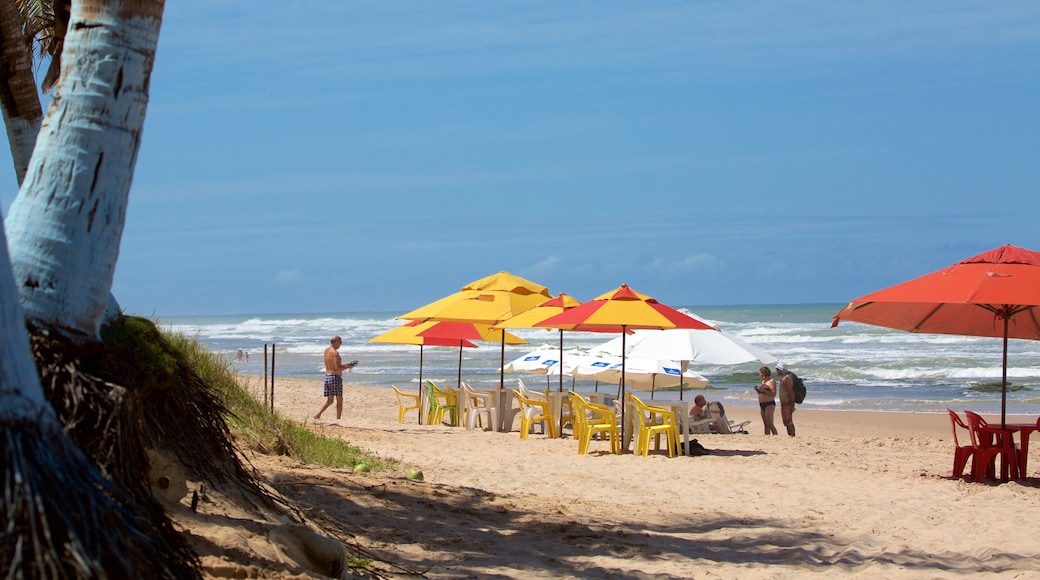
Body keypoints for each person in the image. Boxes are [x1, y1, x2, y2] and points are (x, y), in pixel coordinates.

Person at [315, 335, 356, 421]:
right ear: (336, 342)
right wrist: (348, 367)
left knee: (329, 401)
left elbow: (333, 365)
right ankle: (338, 419)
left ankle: (318, 414)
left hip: (328, 377)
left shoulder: (326, 351)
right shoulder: (334, 353)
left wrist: (347, 365)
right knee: (339, 400)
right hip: (335, 377)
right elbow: (337, 368)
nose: (341, 344)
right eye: (340, 342)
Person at [754, 365, 778, 435]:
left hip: (769, 403)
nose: (759, 375)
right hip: (762, 404)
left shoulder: (771, 381)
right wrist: (758, 390)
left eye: (760, 373)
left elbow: (773, 394)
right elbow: (762, 393)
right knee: (766, 424)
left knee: (770, 423)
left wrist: (763, 390)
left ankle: (775, 436)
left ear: (763, 373)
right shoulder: (763, 382)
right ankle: (767, 437)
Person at [776, 363, 796, 437]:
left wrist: (792, 404)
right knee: (787, 422)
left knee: (788, 422)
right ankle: (791, 435)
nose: (776, 371)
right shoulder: (785, 378)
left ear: (781, 370)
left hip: (787, 402)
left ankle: (792, 436)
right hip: (785, 402)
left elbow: (791, 392)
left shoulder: (785, 379)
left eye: (777, 369)